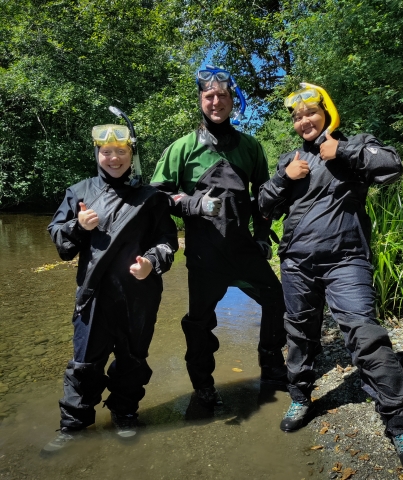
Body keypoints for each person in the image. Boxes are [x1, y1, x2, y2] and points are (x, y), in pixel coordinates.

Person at [258, 83, 403, 475]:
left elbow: (391, 164)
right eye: (297, 117)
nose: (304, 121)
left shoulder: (355, 146)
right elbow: (263, 206)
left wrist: (344, 151)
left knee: (364, 333)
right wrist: (285, 178)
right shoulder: (292, 159)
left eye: (310, 113)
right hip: (297, 264)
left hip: (346, 261)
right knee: (299, 332)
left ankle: (401, 425)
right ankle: (301, 396)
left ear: (328, 111)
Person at [150, 65, 287, 408]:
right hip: (203, 256)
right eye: (209, 96)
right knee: (199, 323)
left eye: (222, 96)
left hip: (243, 251)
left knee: (277, 300)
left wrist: (262, 237)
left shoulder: (251, 147)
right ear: (200, 100)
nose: (216, 101)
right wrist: (192, 204)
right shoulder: (181, 149)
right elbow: (156, 198)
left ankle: (271, 369)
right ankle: (203, 385)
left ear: (232, 101)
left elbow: (263, 198)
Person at [42, 117, 178, 454]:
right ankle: (73, 426)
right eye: (106, 151)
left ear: (131, 154)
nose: (113, 158)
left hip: (140, 296)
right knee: (85, 364)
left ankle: (125, 412)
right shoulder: (80, 191)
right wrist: (78, 225)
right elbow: (61, 243)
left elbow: (167, 242)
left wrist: (151, 262)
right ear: (97, 153)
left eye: (120, 151)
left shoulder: (151, 198)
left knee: (133, 359)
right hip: (94, 296)